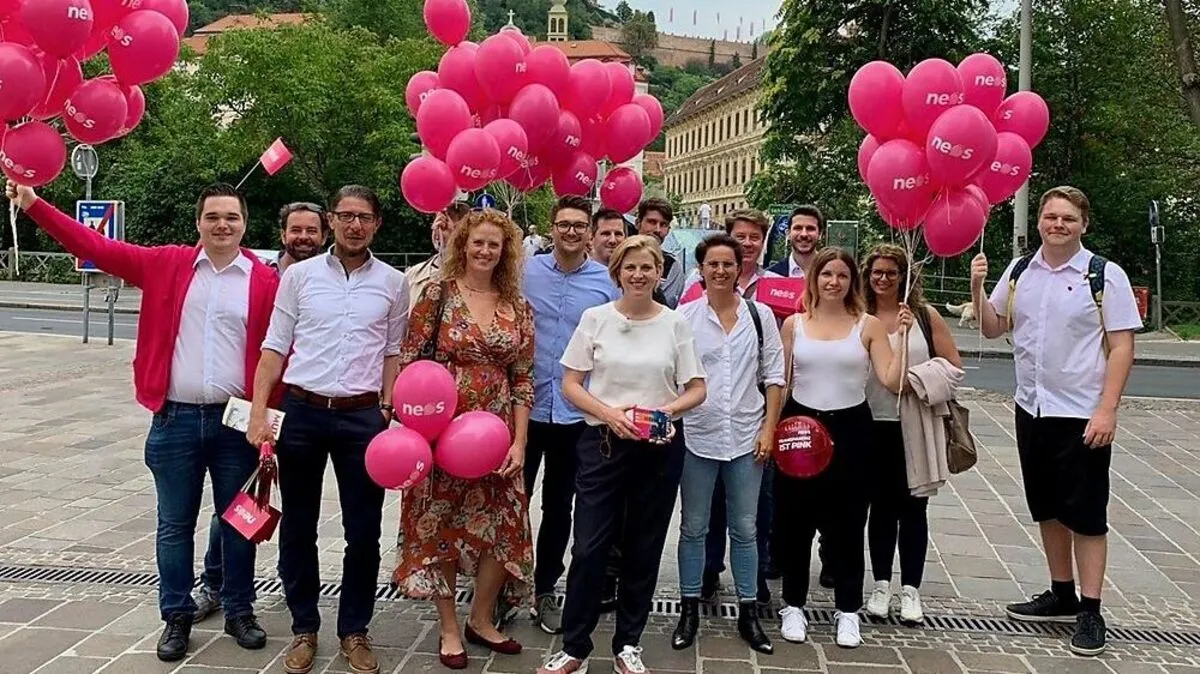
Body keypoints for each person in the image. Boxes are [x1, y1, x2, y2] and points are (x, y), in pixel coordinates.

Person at [6, 180, 278, 661]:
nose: (222, 225)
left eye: (231, 217)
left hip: (235, 424)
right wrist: (33, 204)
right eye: (213, 216)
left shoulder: (264, 281)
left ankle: (239, 610)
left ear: (244, 224)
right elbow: (94, 246)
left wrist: (268, 420)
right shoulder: (165, 264)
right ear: (198, 223)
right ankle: (176, 616)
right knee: (173, 525)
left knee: (238, 524)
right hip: (175, 420)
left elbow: (279, 352)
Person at [971, 186, 1141, 657]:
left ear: (1084, 223)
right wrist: (978, 288)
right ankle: (1061, 592)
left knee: (1086, 513)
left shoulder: (1103, 275)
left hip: (1081, 412)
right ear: (1040, 221)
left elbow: (1122, 346)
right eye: (1050, 217)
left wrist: (1107, 408)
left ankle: (1091, 609)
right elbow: (993, 327)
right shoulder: (1021, 270)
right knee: (1046, 506)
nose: (1057, 225)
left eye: (1067, 218)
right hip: (1033, 407)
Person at [247, 185, 409, 674]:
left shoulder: (393, 282)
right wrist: (259, 411)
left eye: (364, 217)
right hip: (304, 412)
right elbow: (275, 346)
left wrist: (386, 408)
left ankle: (354, 629)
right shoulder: (299, 277)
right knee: (298, 526)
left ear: (377, 224)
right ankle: (304, 627)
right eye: (346, 216)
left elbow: (393, 350)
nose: (355, 225)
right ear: (332, 220)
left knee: (363, 530)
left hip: (363, 417)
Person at [538, 235, 706, 674]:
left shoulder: (675, 324)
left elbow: (697, 388)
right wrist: (609, 414)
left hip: (658, 448)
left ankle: (628, 643)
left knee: (643, 548)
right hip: (603, 444)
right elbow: (571, 383)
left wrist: (666, 411)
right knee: (589, 546)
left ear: (659, 273)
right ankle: (574, 646)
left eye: (647, 267)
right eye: (630, 267)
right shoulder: (596, 318)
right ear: (617, 273)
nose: (638, 275)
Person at [393, 209, 535, 670]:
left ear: (505, 251)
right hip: (442, 430)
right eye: (478, 242)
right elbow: (411, 362)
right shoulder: (438, 295)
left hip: (497, 434)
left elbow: (523, 378)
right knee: (442, 524)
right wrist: (416, 428)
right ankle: (449, 626)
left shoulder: (517, 306)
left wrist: (519, 442)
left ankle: (481, 618)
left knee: (502, 525)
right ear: (462, 245)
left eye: (494, 244)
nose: (485, 251)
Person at [195, 199, 329, 623]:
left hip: (306, 406)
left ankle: (289, 577)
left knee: (297, 502)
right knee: (242, 494)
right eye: (296, 229)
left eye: (312, 230)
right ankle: (215, 581)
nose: (303, 237)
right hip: (260, 404)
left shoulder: (329, 279)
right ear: (282, 233)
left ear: (324, 235)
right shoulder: (260, 276)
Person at [775, 247, 910, 649]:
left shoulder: (868, 325)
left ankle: (848, 610)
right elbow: (782, 382)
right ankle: (793, 604)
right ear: (814, 278)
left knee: (849, 523)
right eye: (826, 274)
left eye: (842, 275)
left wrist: (903, 337)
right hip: (802, 425)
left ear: (852, 282)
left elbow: (890, 379)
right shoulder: (795, 324)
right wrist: (769, 430)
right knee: (795, 522)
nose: (834, 282)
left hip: (852, 428)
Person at [673, 235, 784, 654]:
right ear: (700, 269)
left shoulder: (760, 315)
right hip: (697, 435)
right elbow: (672, 374)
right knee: (693, 527)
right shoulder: (684, 317)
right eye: (712, 264)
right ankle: (688, 609)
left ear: (740, 268)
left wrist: (769, 429)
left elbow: (774, 376)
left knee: (745, 527)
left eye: (728, 264)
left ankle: (748, 612)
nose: (720, 271)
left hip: (745, 436)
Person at [523, 197, 621, 636]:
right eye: (564, 224)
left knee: (559, 506)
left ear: (589, 232)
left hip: (574, 413)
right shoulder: (526, 272)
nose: (571, 232)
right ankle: (506, 585)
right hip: (524, 408)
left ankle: (545, 587)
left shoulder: (606, 282)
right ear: (552, 227)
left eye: (580, 225)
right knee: (513, 502)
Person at [861, 245, 963, 625]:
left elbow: (954, 366)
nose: (883, 279)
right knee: (880, 508)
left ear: (904, 277)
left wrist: (917, 380)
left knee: (914, 508)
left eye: (891, 272)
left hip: (914, 423)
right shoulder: (860, 316)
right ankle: (880, 585)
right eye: (877, 272)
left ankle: (911, 590)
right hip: (871, 421)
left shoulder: (923, 315)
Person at [406, 202, 471, 310]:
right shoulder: (414, 275)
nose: (441, 226)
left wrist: (451, 242)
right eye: (439, 221)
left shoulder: (477, 276)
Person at [635, 198, 685, 308]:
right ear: (638, 223)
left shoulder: (672, 265)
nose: (657, 229)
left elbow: (667, 307)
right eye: (652, 222)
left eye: (663, 225)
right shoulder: (619, 257)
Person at [768, 205, 824, 278]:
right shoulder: (771, 275)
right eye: (798, 228)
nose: (804, 234)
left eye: (810, 228)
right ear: (788, 234)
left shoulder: (833, 271)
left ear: (820, 234)